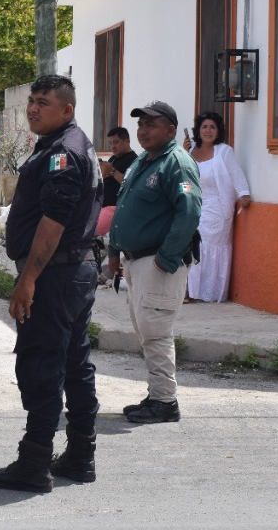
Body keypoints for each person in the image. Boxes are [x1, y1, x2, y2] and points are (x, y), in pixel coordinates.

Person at [0, 75, 101, 493]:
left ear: (66, 109)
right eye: (32, 100)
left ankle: (33, 463)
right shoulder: (68, 144)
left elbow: (53, 223)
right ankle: (80, 455)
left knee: (41, 365)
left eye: (43, 102)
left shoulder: (63, 154)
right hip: (73, 273)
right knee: (74, 364)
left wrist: (27, 279)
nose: (33, 108)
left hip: (55, 275)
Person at [107, 101, 201, 424]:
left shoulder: (177, 162)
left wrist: (166, 258)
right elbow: (123, 208)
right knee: (145, 329)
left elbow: (188, 211)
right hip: (135, 262)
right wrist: (114, 252)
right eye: (141, 124)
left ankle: (164, 402)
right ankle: (156, 394)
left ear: (171, 130)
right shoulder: (142, 163)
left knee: (156, 331)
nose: (144, 130)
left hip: (157, 263)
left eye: (152, 124)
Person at [184, 112, 251, 302]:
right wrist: (183, 196)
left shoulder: (224, 151)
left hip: (218, 209)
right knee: (191, 246)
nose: (208, 131)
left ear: (218, 131)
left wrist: (244, 193)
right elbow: (185, 181)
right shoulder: (190, 151)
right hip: (195, 207)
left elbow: (235, 174)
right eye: (204, 127)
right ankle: (191, 291)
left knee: (207, 246)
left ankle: (208, 293)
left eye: (212, 127)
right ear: (198, 130)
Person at [96, 126, 138, 237]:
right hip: (103, 207)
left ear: (127, 141)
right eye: (110, 143)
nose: (112, 146)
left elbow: (131, 184)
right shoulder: (114, 158)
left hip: (115, 209)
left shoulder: (134, 160)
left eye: (116, 142)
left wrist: (112, 171)